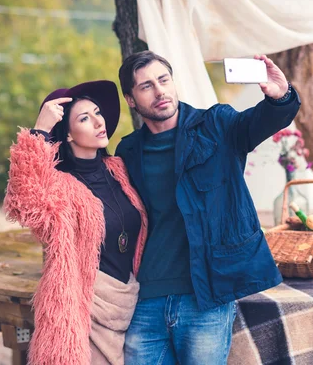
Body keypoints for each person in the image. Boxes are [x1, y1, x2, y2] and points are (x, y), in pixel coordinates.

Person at [115, 51, 301, 364]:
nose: (160, 91)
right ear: (131, 99)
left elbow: (262, 121)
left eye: (163, 80)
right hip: (146, 299)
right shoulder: (128, 150)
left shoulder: (217, 125)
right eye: (146, 86)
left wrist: (280, 96)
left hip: (205, 298)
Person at [3, 80, 148, 365]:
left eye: (97, 113)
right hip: (85, 311)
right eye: (84, 118)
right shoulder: (59, 186)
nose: (98, 121)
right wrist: (41, 130)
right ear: (68, 135)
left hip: (130, 303)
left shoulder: (118, 169)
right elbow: (23, 201)